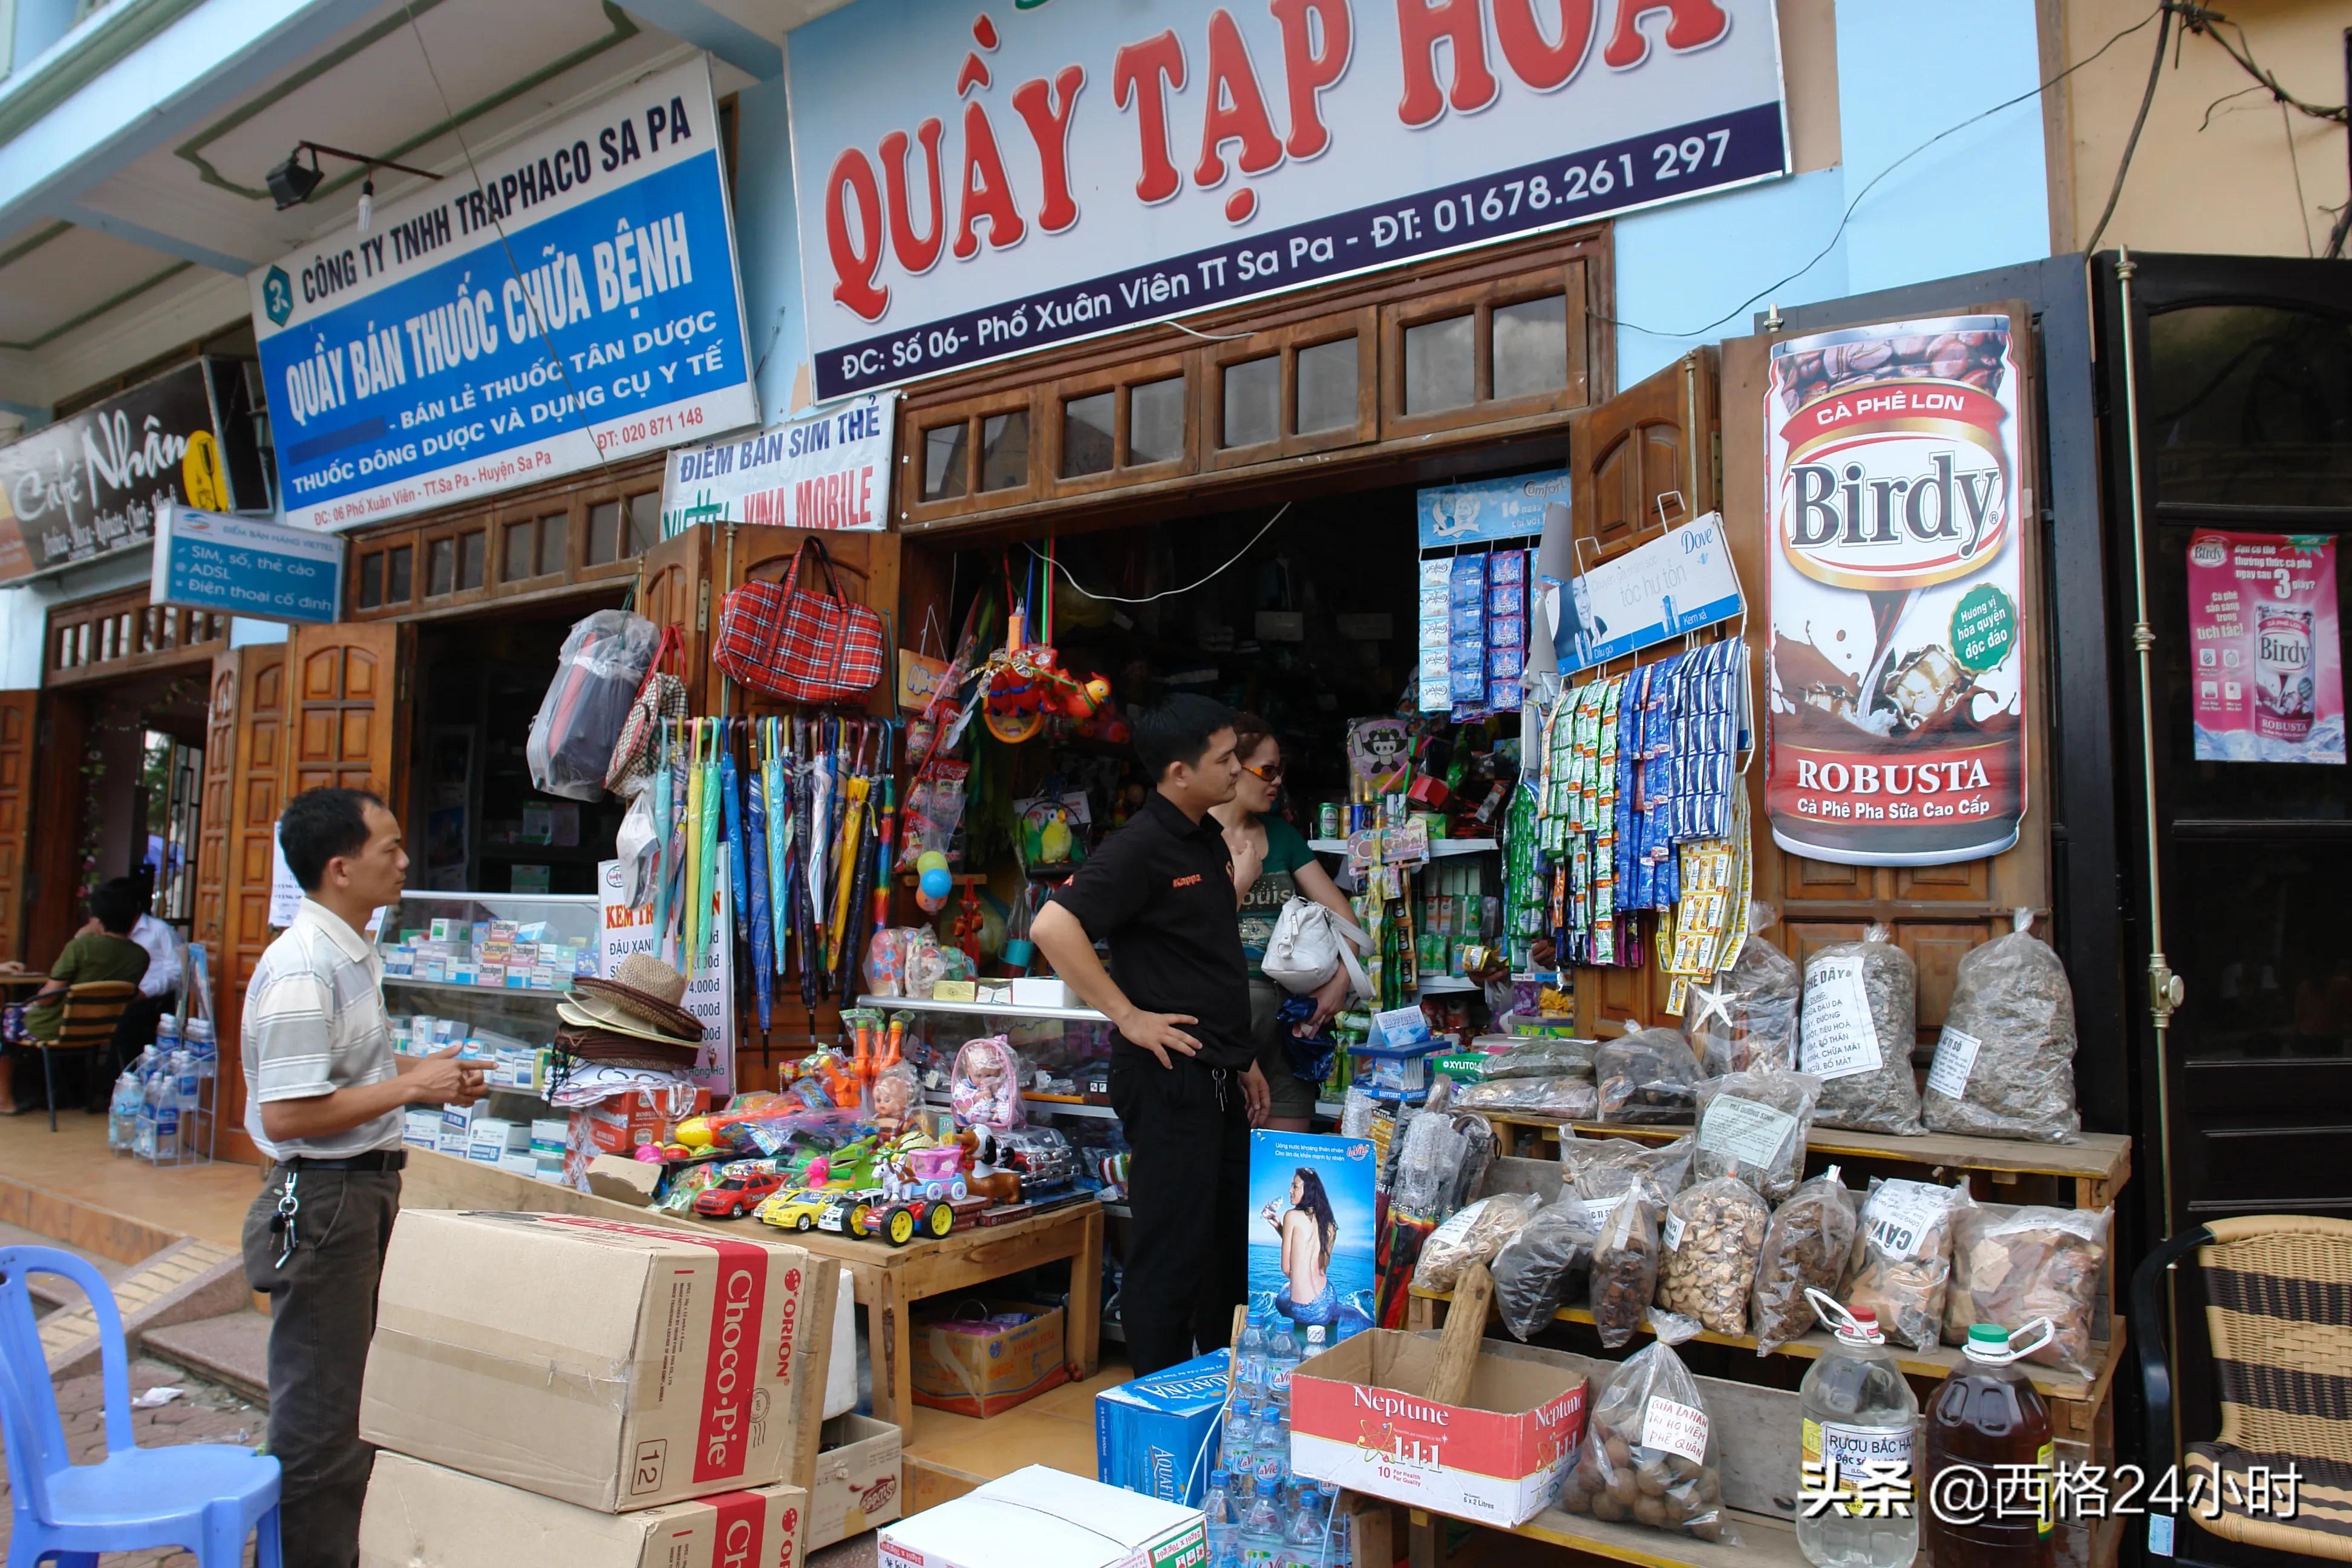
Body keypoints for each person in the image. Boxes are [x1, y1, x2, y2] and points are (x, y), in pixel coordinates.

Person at [241, 788, 485, 1568]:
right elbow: (287, 1115)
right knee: (320, 1418)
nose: (406, 861)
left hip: (360, 1191)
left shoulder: (348, 952)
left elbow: (349, 1074)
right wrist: (411, 1089)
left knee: (347, 1399)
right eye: (390, 849)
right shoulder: (303, 967)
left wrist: (423, 1072)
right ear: (341, 868)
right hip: (325, 1200)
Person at [1031, 694, 1269, 1376]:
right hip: (1168, 1082)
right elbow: (1052, 927)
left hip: (1218, 1074)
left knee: (1225, 1250)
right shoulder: (1140, 845)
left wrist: (1239, 1055)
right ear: (1178, 772)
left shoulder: (1204, 838)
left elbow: (1201, 955)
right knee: (1170, 1254)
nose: (1237, 770)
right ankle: (1158, 1404)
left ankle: (1218, 1399)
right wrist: (1127, 1015)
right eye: (1224, 759)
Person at [1215, 712, 1364, 1131]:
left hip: (1289, 1022)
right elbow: (1190, 934)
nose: (1277, 781)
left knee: (1284, 1161)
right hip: (1223, 1021)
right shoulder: (1193, 840)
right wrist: (1240, 884)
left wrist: (1336, 987)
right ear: (1232, 768)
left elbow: (1346, 921)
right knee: (1222, 1156)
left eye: (1280, 770)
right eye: (1267, 770)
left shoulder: (1282, 836)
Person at [0, 879, 151, 1114]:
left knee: (7, 1017)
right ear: (133, 920)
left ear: (96, 920)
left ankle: (5, 1100)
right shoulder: (140, 956)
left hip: (55, 1026)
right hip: (102, 1030)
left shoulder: (82, 947)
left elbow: (47, 999)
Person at [1261, 1166, 1341, 1328]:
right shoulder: (1330, 1225)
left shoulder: (1291, 1216)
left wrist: (1298, 1279)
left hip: (1305, 1311)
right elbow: (1322, 1267)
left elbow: (1286, 1269)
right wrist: (1278, 1227)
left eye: (1295, 1186)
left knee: (1281, 1299)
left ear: (1308, 1190)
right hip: (1328, 1299)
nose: (1290, 1190)